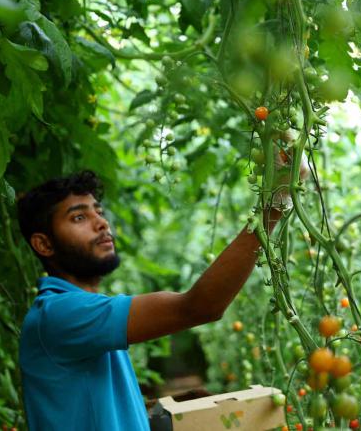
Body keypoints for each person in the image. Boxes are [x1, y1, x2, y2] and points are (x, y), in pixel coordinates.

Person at [16, 154, 307, 430]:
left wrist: (162, 412)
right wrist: (274, 204)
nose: (102, 223)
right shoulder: (59, 314)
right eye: (79, 218)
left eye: (99, 212)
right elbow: (199, 307)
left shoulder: (79, 313)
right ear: (44, 245)